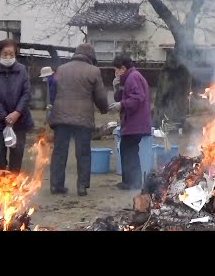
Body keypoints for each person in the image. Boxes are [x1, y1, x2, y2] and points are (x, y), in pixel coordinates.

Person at [49, 43, 109, 196]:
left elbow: (54, 91)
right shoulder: (94, 71)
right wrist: (104, 109)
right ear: (91, 57)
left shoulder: (61, 69)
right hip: (83, 118)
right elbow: (100, 95)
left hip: (60, 117)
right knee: (83, 153)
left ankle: (56, 185)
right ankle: (82, 186)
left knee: (59, 152)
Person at [0, 39, 34, 177]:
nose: (8, 57)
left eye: (11, 54)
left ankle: (13, 193)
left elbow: (26, 94)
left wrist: (17, 113)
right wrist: (4, 117)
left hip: (19, 122)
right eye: (5, 54)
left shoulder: (22, 70)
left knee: (16, 158)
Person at [109, 54, 152, 190]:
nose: (115, 73)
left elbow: (138, 98)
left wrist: (121, 105)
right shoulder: (127, 78)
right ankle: (130, 182)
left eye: (116, 70)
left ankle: (132, 183)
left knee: (129, 151)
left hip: (135, 122)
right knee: (127, 150)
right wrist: (116, 88)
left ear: (123, 68)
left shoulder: (133, 77)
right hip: (133, 122)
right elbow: (121, 97)